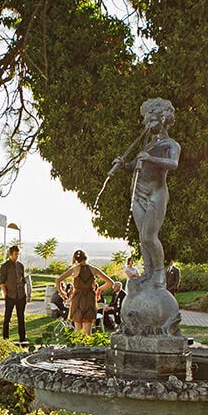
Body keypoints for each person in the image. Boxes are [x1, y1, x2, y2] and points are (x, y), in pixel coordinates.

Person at [113, 98, 180, 289]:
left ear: (163, 119)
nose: (146, 123)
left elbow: (174, 164)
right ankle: (148, 272)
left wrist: (151, 159)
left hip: (156, 193)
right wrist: (123, 165)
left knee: (150, 235)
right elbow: (135, 166)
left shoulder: (171, 145)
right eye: (145, 119)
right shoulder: (147, 145)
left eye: (150, 119)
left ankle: (159, 275)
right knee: (142, 237)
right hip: (138, 194)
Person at [56, 250, 113, 336]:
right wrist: (99, 290)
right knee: (88, 325)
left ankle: (78, 346)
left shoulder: (74, 269)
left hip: (77, 297)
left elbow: (58, 280)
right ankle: (87, 347)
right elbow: (110, 282)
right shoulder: (94, 269)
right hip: (90, 298)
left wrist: (62, 292)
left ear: (75, 259)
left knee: (78, 325)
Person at [0, 245, 30, 343]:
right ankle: (5, 339)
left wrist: (26, 293)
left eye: (18, 254)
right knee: (7, 317)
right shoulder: (5, 267)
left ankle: (22, 339)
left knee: (21, 317)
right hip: (10, 296)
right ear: (11, 254)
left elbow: (23, 280)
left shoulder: (20, 266)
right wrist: (6, 295)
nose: (17, 256)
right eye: (15, 254)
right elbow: (2, 283)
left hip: (21, 296)